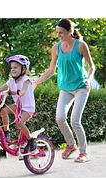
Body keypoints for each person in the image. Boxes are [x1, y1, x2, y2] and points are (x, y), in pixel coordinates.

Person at [33, 18, 95, 162]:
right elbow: (50, 70)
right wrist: (35, 82)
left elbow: (92, 66)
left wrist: (89, 79)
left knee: (75, 121)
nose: (59, 35)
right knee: (60, 118)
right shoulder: (56, 48)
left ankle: (83, 152)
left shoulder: (81, 45)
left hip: (81, 87)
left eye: (61, 32)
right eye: (57, 33)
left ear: (70, 31)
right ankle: (71, 145)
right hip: (65, 89)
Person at [0, 55, 37, 153]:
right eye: (12, 67)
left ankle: (31, 140)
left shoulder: (26, 80)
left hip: (28, 108)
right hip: (18, 106)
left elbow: (23, 91)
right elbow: (0, 89)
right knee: (3, 111)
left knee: (19, 122)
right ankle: (6, 132)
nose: (13, 69)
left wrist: (16, 92)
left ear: (23, 70)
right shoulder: (11, 81)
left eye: (15, 67)